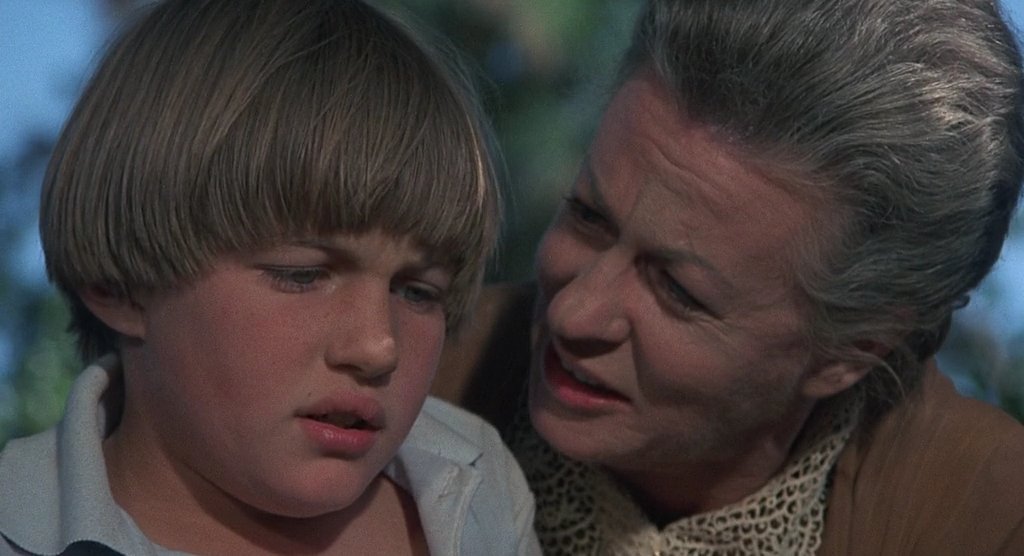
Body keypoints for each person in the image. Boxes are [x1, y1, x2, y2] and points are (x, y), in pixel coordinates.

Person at [433, 0, 1024, 553]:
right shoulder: (419, 382)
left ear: (853, 351)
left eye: (676, 290)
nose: (572, 314)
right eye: (588, 217)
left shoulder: (986, 519)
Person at [0, 0, 541, 554]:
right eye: (301, 275)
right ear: (120, 287)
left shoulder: (480, 485)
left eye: (418, 292)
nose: (378, 347)